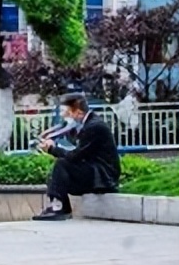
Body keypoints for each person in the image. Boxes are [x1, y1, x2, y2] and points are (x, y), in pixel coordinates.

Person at [33, 92, 120, 221]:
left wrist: (52, 149)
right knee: (60, 168)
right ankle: (58, 204)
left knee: (62, 164)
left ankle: (60, 206)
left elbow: (76, 156)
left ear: (78, 113)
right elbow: (80, 147)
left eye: (66, 112)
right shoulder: (87, 124)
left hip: (103, 175)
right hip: (94, 169)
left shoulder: (94, 126)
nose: (63, 116)